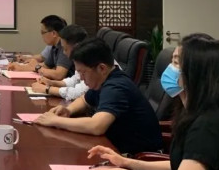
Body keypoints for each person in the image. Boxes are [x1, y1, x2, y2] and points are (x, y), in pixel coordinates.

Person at [81, 33, 219, 170]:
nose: (170, 69)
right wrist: (127, 163)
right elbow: (179, 167)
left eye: (176, 63)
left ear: (196, 72)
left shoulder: (207, 124)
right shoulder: (190, 112)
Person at [34, 37, 162, 154]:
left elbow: (96, 126)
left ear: (102, 68)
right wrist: (68, 110)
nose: (82, 78)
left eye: (83, 73)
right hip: (116, 148)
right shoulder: (104, 79)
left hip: (138, 157)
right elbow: (84, 99)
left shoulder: (116, 87)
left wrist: (56, 121)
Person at [30, 24, 89, 100]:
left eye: (65, 49)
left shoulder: (90, 61)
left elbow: (79, 93)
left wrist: (47, 89)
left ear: (76, 47)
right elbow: (74, 80)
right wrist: (51, 83)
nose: (64, 52)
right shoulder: (80, 59)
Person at [8, 15, 73, 80]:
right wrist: (19, 67)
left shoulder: (64, 46)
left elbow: (59, 75)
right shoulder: (54, 46)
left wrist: (37, 67)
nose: (42, 36)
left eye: (43, 32)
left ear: (54, 33)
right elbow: (45, 66)